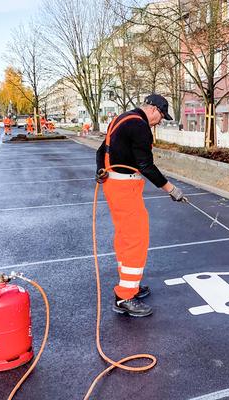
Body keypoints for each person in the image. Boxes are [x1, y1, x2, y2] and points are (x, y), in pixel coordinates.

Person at [95, 94, 186, 318]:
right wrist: (170, 189)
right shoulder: (140, 126)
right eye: (161, 117)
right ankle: (125, 297)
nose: (159, 122)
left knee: (125, 237)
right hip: (124, 188)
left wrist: (100, 170)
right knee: (136, 238)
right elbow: (146, 164)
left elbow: (101, 150)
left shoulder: (123, 118)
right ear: (153, 109)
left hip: (114, 185)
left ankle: (129, 285)